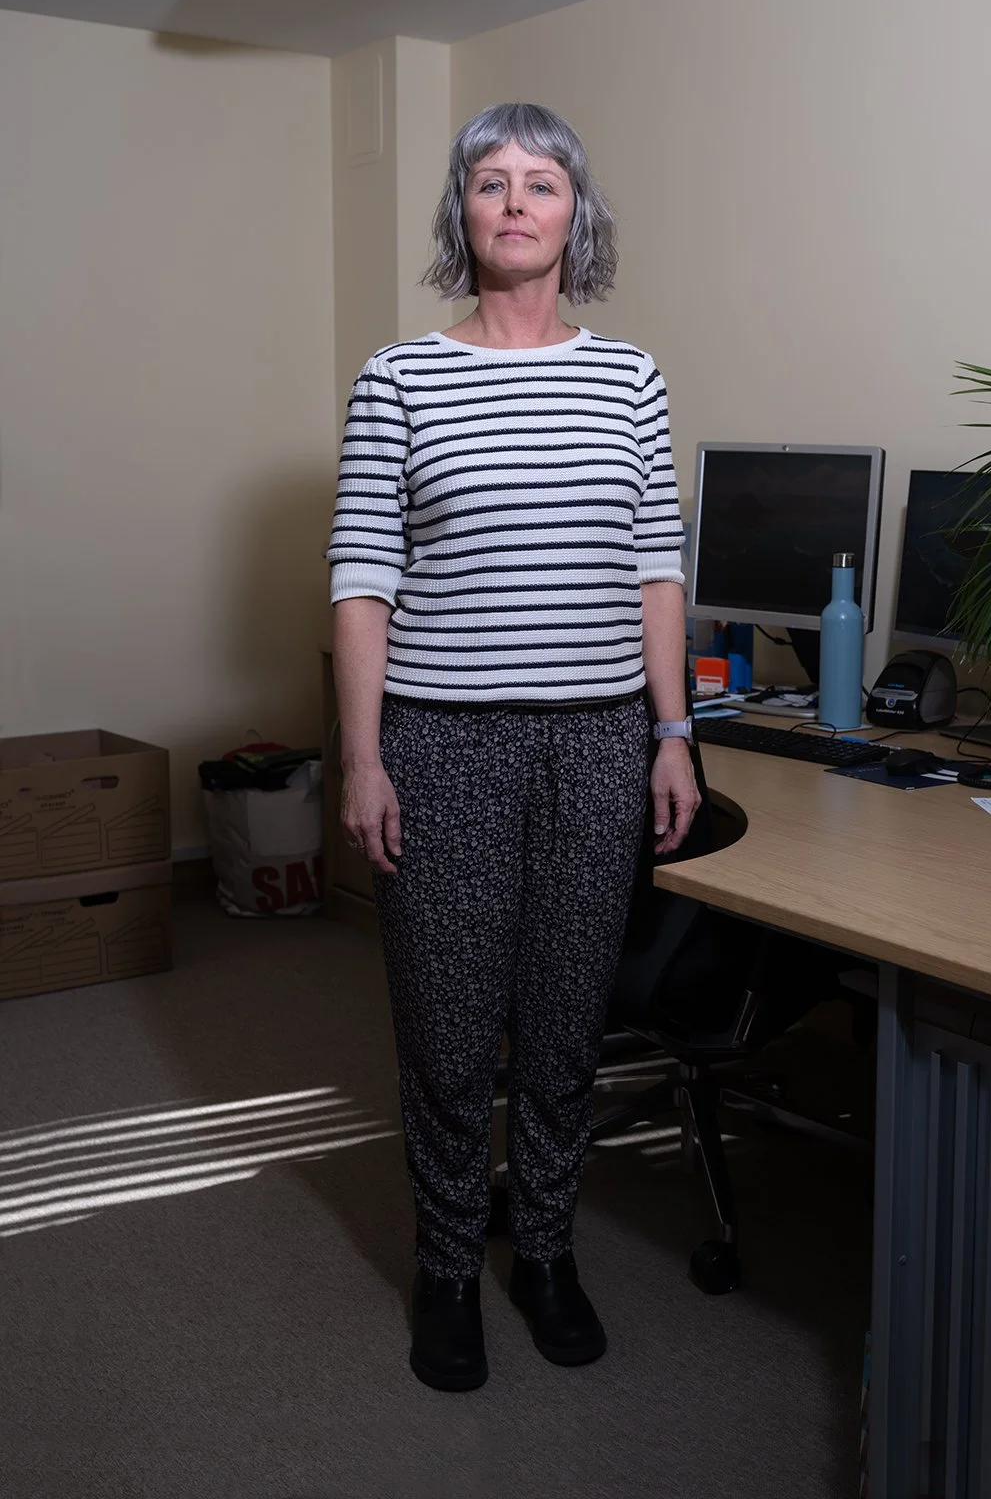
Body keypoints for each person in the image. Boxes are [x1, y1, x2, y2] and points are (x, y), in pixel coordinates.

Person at [326, 102, 698, 1393]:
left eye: (542, 182)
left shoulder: (630, 378)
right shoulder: (400, 377)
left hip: (597, 746)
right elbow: (363, 579)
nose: (517, 203)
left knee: (562, 1026)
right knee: (446, 1031)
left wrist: (672, 735)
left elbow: (656, 571)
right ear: (463, 213)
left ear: (575, 213)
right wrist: (363, 759)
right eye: (491, 182)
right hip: (443, 746)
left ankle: (542, 1249)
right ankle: (445, 1268)